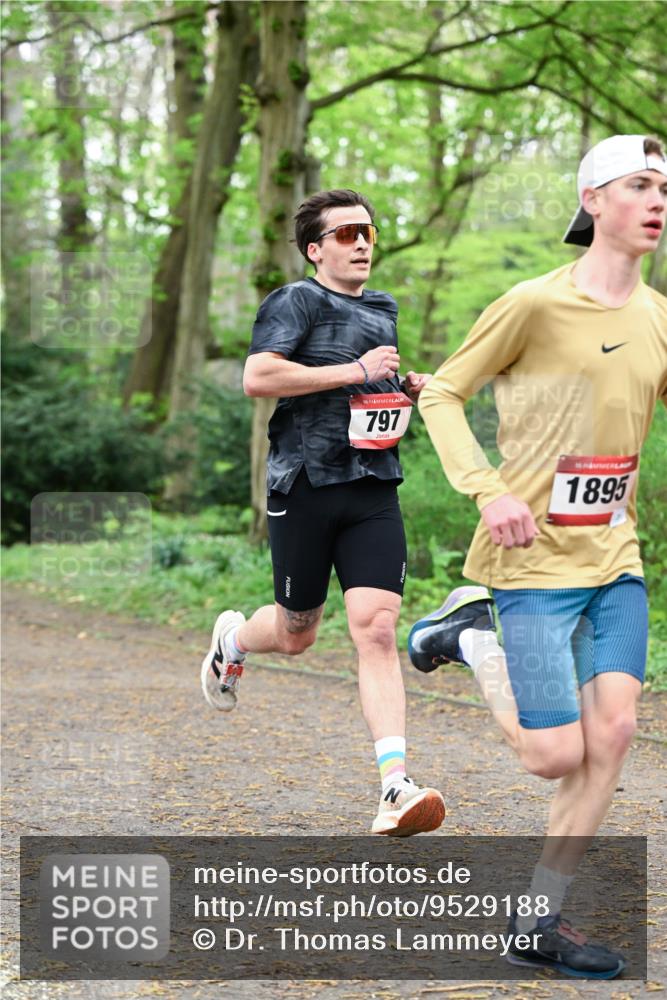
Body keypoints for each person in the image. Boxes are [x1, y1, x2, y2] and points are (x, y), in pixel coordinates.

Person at [409, 135, 667, 977]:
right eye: (639, 185)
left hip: (612, 558)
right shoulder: (531, 303)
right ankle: (470, 634)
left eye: (662, 187)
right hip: (528, 563)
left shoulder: (657, 313)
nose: (656, 200)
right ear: (594, 200)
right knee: (553, 755)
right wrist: (488, 490)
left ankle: (536, 923)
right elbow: (443, 392)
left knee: (616, 732)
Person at [201, 189, 445, 837]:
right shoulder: (294, 301)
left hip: (371, 485)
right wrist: (352, 370)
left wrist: (402, 388)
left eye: (367, 231)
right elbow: (259, 376)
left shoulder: (383, 308)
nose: (362, 242)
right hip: (304, 484)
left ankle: (394, 785)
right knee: (296, 633)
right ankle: (232, 640)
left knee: (375, 627)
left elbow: (369, 387)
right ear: (315, 249)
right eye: (345, 234)